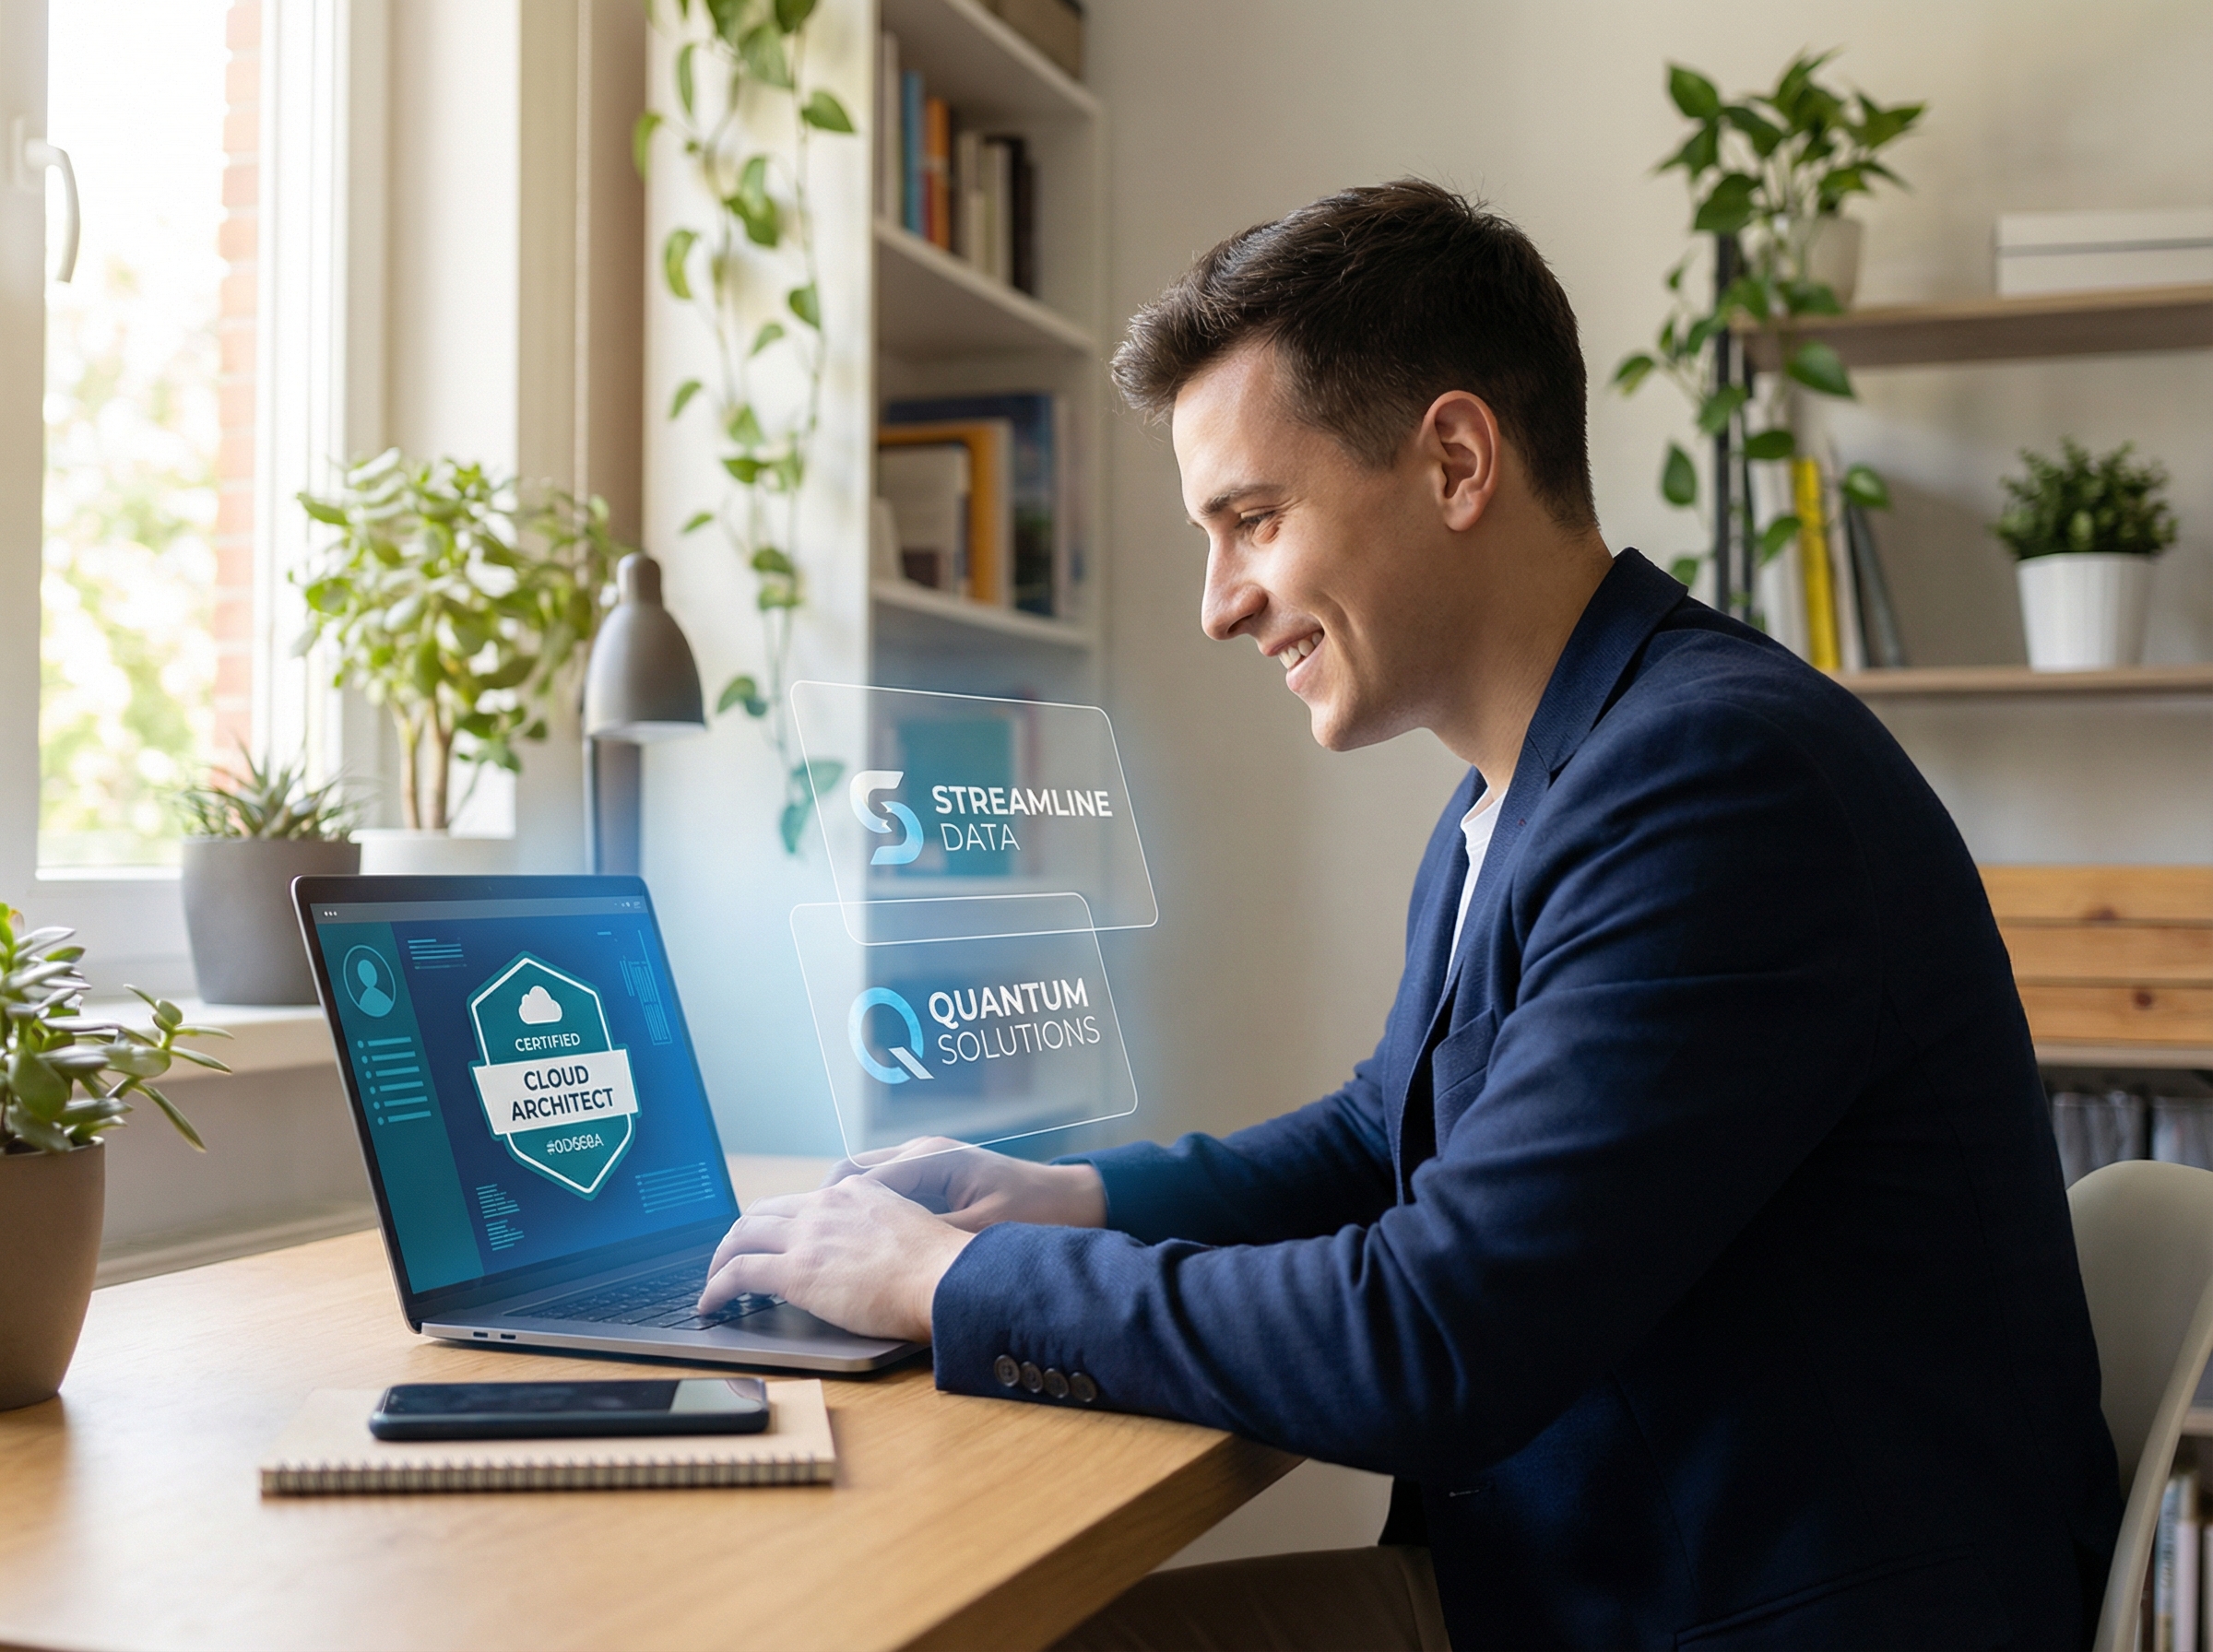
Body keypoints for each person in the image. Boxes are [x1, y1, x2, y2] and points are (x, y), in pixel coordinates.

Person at [698, 181, 2121, 1649]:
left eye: (1254, 520)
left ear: (1454, 461)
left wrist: (955, 1281)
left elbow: (1437, 1337)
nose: (1218, 604)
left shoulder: (1716, 783)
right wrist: (1070, 1198)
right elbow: (1385, 1132)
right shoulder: (1527, 788)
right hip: (1587, 1583)